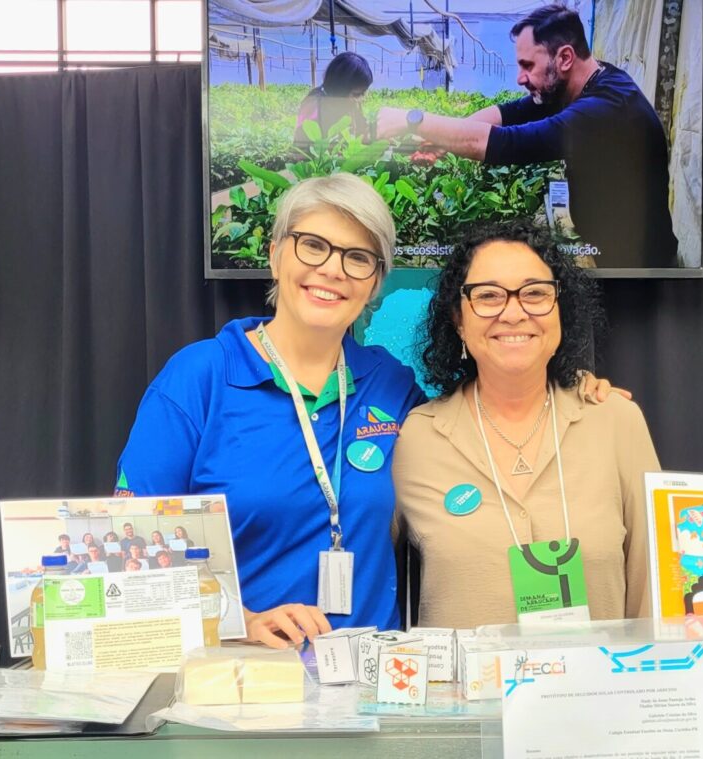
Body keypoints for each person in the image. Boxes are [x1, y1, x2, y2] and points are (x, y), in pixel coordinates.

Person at [116, 175, 617, 647]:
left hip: (372, 691)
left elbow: (478, 425)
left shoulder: (390, 384)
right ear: (274, 255)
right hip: (244, 690)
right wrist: (236, 622)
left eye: (358, 257)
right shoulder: (198, 379)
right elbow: (128, 555)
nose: (332, 269)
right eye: (312, 245)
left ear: (375, 282)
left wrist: (568, 388)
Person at [392, 220, 660, 629]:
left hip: (597, 692)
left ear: (560, 311)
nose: (513, 313)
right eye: (488, 296)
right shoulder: (417, 438)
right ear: (459, 320)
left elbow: (654, 591)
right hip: (462, 693)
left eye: (535, 293)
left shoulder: (615, 421)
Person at [375, 4, 677, 269]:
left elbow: (506, 143)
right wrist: (441, 141)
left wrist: (412, 119)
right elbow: (509, 112)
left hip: (642, 274)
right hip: (614, 255)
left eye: (528, 65)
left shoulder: (605, 111)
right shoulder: (589, 81)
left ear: (565, 58)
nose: (520, 78)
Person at [295, 52, 373, 151]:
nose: (361, 99)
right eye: (357, 94)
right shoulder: (314, 105)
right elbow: (301, 148)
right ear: (340, 89)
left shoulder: (352, 104)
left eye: (363, 93)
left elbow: (363, 134)